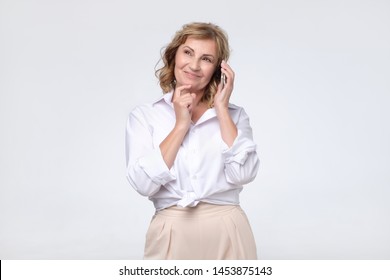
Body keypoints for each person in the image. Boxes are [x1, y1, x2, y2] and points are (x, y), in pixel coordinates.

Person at [125, 22, 260, 260]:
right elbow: (143, 184)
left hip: (229, 229)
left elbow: (244, 174)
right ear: (174, 55)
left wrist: (221, 109)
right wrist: (180, 125)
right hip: (170, 231)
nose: (195, 65)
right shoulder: (145, 116)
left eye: (206, 59)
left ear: (218, 69)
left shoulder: (235, 115)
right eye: (188, 52)